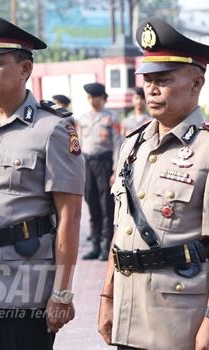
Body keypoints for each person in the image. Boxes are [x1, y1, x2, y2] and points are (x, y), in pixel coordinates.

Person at [98, 18, 209, 350]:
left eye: (163, 79)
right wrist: (107, 297)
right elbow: (122, 229)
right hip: (131, 313)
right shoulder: (132, 146)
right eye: (147, 79)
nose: (151, 88)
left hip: (183, 322)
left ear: (195, 84)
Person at [0, 14, 85, 350]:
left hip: (25, 286)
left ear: (24, 70)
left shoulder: (52, 129)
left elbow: (69, 215)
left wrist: (62, 292)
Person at [77, 82, 122, 261]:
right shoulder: (83, 119)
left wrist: (115, 170)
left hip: (105, 164)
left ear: (103, 98)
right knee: (92, 204)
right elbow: (78, 145)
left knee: (106, 206)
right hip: (87, 164)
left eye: (95, 97)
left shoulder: (112, 118)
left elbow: (118, 144)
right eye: (89, 97)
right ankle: (94, 245)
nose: (91, 100)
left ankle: (106, 246)